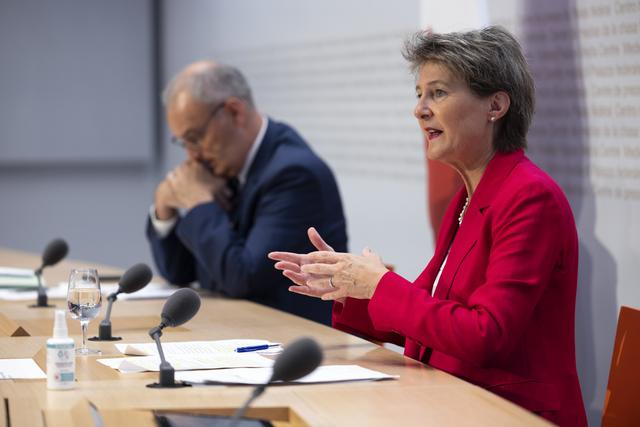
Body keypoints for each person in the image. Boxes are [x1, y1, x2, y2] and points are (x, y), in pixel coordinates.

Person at [269, 27, 587, 425]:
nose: (419, 109)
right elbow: (428, 323)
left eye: (438, 93)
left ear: (496, 105)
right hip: (454, 401)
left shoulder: (529, 197)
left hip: (511, 414)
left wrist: (380, 285)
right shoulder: (469, 194)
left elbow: (486, 334)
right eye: (419, 94)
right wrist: (351, 289)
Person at [147, 61, 347, 325]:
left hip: (295, 343)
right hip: (240, 333)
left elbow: (243, 277)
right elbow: (179, 271)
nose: (191, 154)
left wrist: (198, 203)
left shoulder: (294, 174)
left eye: (195, 137)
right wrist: (164, 207)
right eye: (183, 142)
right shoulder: (225, 166)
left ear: (234, 111)